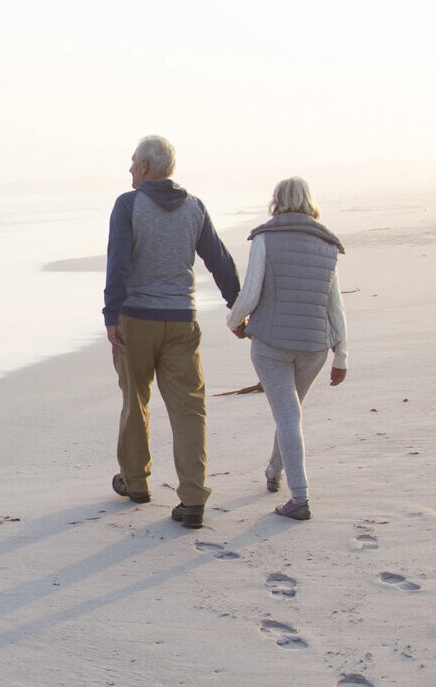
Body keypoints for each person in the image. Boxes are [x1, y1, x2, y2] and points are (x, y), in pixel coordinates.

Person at [103, 135, 240, 529]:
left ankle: (136, 483)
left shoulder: (128, 206)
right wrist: (239, 307)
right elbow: (220, 261)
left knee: (136, 400)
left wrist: (111, 315)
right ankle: (193, 499)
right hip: (182, 319)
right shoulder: (194, 207)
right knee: (188, 409)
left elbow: (118, 264)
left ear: (145, 166)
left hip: (136, 319)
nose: (129, 168)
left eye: (132, 162)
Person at [226, 176, 348, 521]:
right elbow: (334, 305)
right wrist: (342, 354)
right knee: (290, 412)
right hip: (315, 347)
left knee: (288, 415)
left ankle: (299, 497)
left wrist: (235, 322)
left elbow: (250, 294)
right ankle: (273, 472)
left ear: (276, 201)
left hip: (272, 346)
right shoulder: (327, 243)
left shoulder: (265, 238)